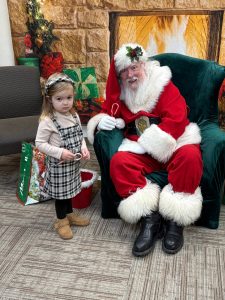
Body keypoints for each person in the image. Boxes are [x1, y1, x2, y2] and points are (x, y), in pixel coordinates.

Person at [87, 43, 203, 256]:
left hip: (174, 142)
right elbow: (110, 110)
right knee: (119, 163)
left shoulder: (162, 84)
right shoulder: (122, 95)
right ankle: (150, 217)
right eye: (124, 71)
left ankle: (175, 220)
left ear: (144, 66)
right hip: (141, 148)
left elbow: (178, 119)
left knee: (191, 156)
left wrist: (154, 142)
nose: (130, 75)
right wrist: (102, 121)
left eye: (134, 68)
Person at [35, 73, 90, 240]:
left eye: (69, 97)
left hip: (72, 166)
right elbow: (40, 143)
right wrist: (60, 152)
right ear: (49, 99)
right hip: (59, 166)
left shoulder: (74, 116)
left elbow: (80, 135)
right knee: (60, 195)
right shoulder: (47, 121)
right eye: (59, 99)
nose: (65, 102)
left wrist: (84, 147)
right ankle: (61, 221)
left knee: (70, 192)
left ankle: (69, 214)